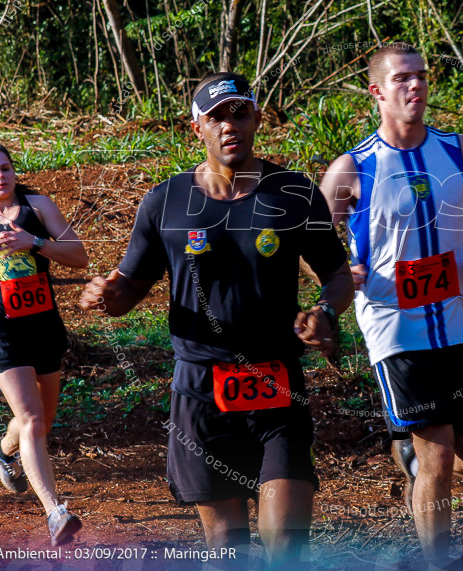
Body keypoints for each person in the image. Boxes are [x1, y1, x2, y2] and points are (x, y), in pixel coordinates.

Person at [79, 72, 353, 568]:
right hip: (202, 392)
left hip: (276, 384)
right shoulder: (166, 202)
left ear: (257, 120)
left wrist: (326, 312)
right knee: (228, 551)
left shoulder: (293, 194)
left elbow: (338, 274)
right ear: (196, 129)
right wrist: (106, 294)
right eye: (216, 117)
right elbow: (129, 292)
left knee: (287, 546)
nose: (230, 125)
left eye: (239, 113)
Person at [319, 43, 463, 567]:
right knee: (438, 454)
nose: (415, 86)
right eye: (402, 79)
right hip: (394, 323)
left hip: (461, 314)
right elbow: (313, 240)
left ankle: (411, 462)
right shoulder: (351, 168)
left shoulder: (458, 150)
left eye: (421, 76)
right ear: (376, 91)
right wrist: (339, 273)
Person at [0, 142, 88, 546]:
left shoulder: (39, 207)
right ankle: (55, 512)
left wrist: (36, 243)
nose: (0, 176)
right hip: (1, 330)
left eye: (6, 168)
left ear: (14, 172)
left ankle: (1, 449)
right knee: (31, 419)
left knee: (40, 422)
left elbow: (79, 256)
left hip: (44, 327)